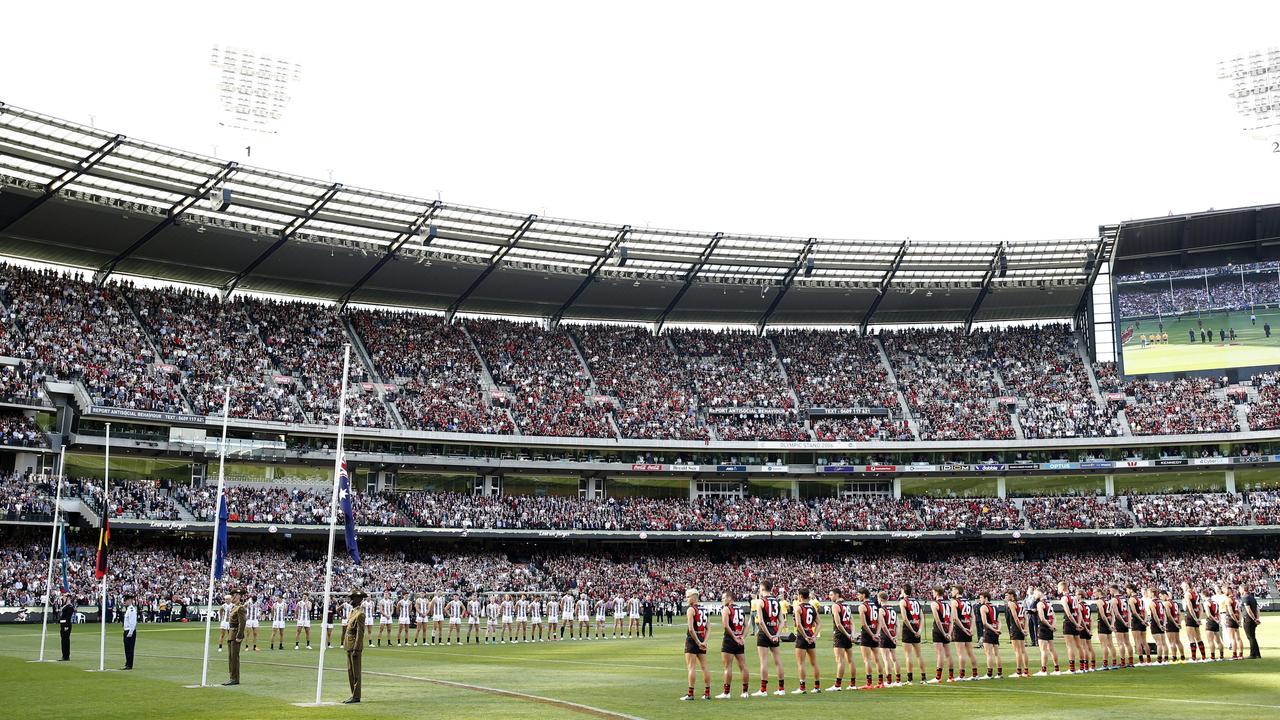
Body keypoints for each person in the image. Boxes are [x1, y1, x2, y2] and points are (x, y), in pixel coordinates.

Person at [752, 579, 786, 696]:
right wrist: (776, 634)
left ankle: (763, 690)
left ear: (762, 589)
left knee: (764, 661)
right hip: (774, 632)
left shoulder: (760, 601)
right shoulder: (777, 601)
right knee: (778, 660)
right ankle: (781, 689)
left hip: (764, 633)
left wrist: (769, 635)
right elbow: (782, 621)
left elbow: (761, 622)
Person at [717, 591, 749, 699]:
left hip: (730, 640)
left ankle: (726, 693)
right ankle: (745, 692)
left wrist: (735, 637)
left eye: (723, 598)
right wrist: (742, 637)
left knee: (727, 667)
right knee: (743, 666)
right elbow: (746, 626)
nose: (722, 600)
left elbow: (725, 625)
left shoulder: (726, 609)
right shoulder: (741, 609)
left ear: (729, 598)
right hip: (739, 640)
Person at [679, 589, 711, 701]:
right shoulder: (704, 609)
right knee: (704, 667)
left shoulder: (691, 610)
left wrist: (697, 642)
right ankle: (707, 693)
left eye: (688, 596)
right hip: (702, 638)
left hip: (693, 640)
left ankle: (690, 693)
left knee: (691, 667)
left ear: (694, 596)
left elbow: (691, 629)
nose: (686, 599)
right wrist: (704, 642)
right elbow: (708, 628)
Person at [792, 588, 821, 694]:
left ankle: (802, 687)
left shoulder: (798, 607)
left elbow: (799, 624)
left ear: (800, 596)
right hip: (810, 635)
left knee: (801, 663)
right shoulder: (812, 607)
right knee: (814, 663)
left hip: (802, 637)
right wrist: (813, 636)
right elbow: (819, 623)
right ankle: (817, 687)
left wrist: (805, 636)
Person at [856, 587, 883, 688]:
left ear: (863, 595)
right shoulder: (875, 605)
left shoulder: (862, 606)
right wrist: (877, 633)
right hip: (875, 632)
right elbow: (880, 622)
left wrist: (871, 635)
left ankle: (869, 683)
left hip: (867, 634)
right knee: (877, 659)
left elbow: (864, 624)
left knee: (867, 659)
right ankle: (881, 682)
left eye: (859, 594)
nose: (857, 596)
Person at [343, 590, 366, 704]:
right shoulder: (353, 612)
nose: (350, 601)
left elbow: (360, 633)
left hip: (354, 647)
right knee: (350, 672)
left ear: (357, 600)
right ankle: (353, 694)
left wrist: (357, 648)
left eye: (352, 599)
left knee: (356, 672)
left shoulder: (360, 614)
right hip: (348, 645)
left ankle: (356, 696)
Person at [830, 588, 855, 690]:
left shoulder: (836, 606)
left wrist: (847, 634)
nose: (830, 597)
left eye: (831, 595)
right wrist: (852, 634)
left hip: (840, 635)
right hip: (848, 633)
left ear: (837, 595)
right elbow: (852, 622)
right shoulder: (847, 606)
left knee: (840, 660)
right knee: (850, 660)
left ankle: (837, 685)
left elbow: (838, 624)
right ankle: (852, 684)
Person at [928, 585, 954, 683]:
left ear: (936, 592)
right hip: (947, 628)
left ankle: (938, 677)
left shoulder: (934, 604)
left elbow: (938, 621)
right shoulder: (948, 604)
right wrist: (949, 633)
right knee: (948, 654)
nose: (932, 593)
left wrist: (943, 633)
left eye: (933, 592)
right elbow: (951, 620)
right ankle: (951, 677)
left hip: (939, 630)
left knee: (940, 654)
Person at [950, 585, 977, 680]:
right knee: (970, 652)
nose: (951, 591)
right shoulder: (968, 602)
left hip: (960, 629)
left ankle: (962, 675)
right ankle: (975, 674)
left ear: (957, 591)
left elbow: (955, 618)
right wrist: (971, 628)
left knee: (960, 653)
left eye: (953, 590)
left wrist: (963, 628)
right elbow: (973, 616)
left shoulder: (954, 602)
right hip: (968, 627)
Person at [898, 585, 924, 685]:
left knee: (908, 655)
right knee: (919, 655)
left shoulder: (903, 601)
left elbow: (905, 619)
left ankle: (910, 679)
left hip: (908, 630)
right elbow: (921, 617)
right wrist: (919, 630)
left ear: (903, 591)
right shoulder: (916, 601)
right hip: (917, 628)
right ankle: (923, 677)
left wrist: (912, 631)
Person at [1003, 589, 1029, 678]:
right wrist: (1025, 629)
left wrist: (1021, 630)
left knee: (1017, 651)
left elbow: (1015, 618)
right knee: (1023, 650)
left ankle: (1018, 672)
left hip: (1015, 628)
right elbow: (1025, 617)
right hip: (1021, 627)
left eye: (1007, 595)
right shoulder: (1020, 603)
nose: (1006, 597)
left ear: (1011, 595)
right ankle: (1026, 671)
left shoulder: (1011, 604)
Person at [224, 587, 247, 686]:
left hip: (235, 635)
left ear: (238, 596)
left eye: (233, 596)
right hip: (231, 635)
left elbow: (242, 623)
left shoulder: (240, 608)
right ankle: (232, 677)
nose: (232, 597)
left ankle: (235, 678)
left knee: (234, 657)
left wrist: (239, 636)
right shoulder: (234, 607)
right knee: (231, 657)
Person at [876, 590, 900, 687]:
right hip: (893, 633)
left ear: (880, 599)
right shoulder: (893, 610)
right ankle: (898, 681)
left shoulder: (881, 610)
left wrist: (890, 637)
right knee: (894, 659)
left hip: (885, 636)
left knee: (886, 659)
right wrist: (895, 637)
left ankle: (889, 681)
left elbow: (883, 626)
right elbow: (898, 625)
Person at [1034, 588, 1059, 676]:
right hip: (1050, 628)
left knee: (1043, 650)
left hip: (1044, 628)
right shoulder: (1049, 603)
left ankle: (1043, 670)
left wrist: (1049, 626)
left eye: (1035, 593)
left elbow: (1042, 618)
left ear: (1040, 594)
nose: (1034, 595)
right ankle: (1056, 669)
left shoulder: (1040, 604)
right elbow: (1054, 617)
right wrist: (1053, 626)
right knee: (1052, 649)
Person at [976, 591, 1001, 679]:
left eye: (981, 597)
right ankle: (999, 673)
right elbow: (999, 621)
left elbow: (985, 623)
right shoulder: (995, 607)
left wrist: (993, 630)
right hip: (995, 631)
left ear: (986, 598)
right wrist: (998, 630)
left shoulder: (983, 607)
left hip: (989, 631)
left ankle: (989, 674)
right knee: (997, 653)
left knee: (989, 653)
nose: (980, 600)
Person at [1180, 582, 1203, 662]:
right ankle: (1203, 657)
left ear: (1187, 586)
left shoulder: (1187, 594)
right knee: (1198, 637)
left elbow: (1190, 608)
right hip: (1196, 616)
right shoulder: (1196, 594)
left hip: (1190, 616)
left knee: (1191, 638)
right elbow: (1201, 609)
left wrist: (1195, 619)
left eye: (1182, 586)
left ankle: (1193, 658)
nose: (1181, 587)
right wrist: (1198, 618)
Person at [1238, 584, 1261, 659]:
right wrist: (1257, 619)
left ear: (1243, 590)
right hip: (1253, 620)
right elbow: (1257, 609)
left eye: (1240, 589)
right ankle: (1257, 654)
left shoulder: (1245, 598)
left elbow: (1248, 610)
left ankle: (1253, 654)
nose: (1239, 590)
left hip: (1248, 620)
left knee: (1250, 637)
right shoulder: (1252, 597)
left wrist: (1254, 619)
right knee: (1253, 637)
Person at [121, 593, 137, 670]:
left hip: (130, 631)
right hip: (126, 630)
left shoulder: (131, 610)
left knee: (130, 649)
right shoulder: (128, 609)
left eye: (126, 600)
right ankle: (127, 663)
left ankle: (129, 665)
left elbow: (132, 622)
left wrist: (130, 632)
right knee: (127, 648)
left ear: (130, 600)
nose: (125, 602)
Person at [58, 593, 73, 661]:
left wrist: (66, 626)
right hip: (62, 624)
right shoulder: (65, 605)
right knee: (63, 640)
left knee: (66, 640)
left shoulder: (70, 606)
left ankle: (66, 656)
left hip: (66, 625)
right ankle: (64, 655)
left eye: (65, 597)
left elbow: (68, 617)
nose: (63, 598)